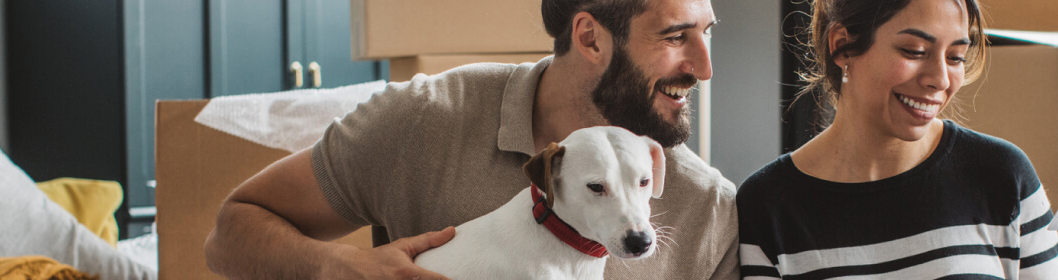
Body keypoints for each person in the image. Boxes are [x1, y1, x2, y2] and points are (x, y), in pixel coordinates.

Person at [202, 0, 741, 279]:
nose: (706, 68)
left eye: (707, 32)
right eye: (675, 36)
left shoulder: (709, 208)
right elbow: (231, 231)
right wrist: (333, 268)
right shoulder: (425, 119)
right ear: (589, 38)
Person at [736, 0, 1058, 279]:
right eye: (915, 50)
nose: (940, 79)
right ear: (842, 46)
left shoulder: (1004, 177)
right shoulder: (768, 207)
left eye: (955, 57)